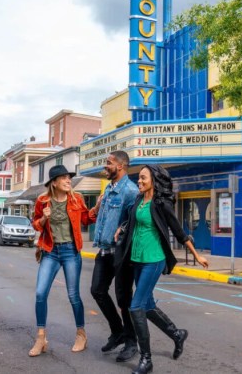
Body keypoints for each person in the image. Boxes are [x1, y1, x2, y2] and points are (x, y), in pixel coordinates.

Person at [115, 165, 209, 374]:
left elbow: (179, 232)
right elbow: (132, 221)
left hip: (154, 259)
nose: (139, 182)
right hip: (137, 259)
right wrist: (121, 228)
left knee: (136, 306)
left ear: (154, 181)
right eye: (138, 178)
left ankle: (146, 359)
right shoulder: (139, 200)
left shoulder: (161, 204)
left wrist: (196, 255)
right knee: (146, 305)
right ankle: (176, 334)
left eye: (142, 178)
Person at [29, 165, 97, 357]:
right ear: (54, 182)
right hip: (50, 251)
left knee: (73, 295)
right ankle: (41, 338)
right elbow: (35, 224)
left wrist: (97, 209)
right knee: (40, 293)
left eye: (69, 178)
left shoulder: (77, 199)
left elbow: (86, 219)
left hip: (70, 251)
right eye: (64, 178)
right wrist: (43, 219)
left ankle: (81, 334)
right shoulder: (42, 201)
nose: (69, 181)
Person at [89, 151, 140, 361]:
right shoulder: (109, 189)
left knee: (123, 298)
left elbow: (133, 221)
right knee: (97, 290)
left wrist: (123, 227)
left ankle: (131, 342)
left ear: (120, 166)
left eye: (108, 163)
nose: (105, 166)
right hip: (104, 250)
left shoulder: (130, 191)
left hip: (120, 253)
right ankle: (117, 331)